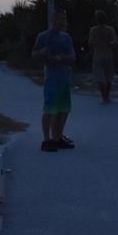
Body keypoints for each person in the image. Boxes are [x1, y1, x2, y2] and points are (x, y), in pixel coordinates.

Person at [32, 8, 76, 151]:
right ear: (53, 20)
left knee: (63, 109)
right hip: (51, 77)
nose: (63, 21)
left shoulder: (66, 37)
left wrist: (62, 57)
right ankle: (46, 140)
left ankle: (58, 137)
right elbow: (34, 54)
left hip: (64, 77)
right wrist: (41, 53)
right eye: (60, 18)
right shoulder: (43, 36)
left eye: (64, 19)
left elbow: (72, 57)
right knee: (50, 109)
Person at [88, 10, 118, 104]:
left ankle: (104, 97)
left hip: (98, 55)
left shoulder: (93, 30)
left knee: (100, 77)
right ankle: (107, 97)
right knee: (108, 76)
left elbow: (90, 42)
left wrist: (96, 44)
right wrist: (109, 44)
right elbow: (115, 42)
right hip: (108, 55)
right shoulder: (110, 29)